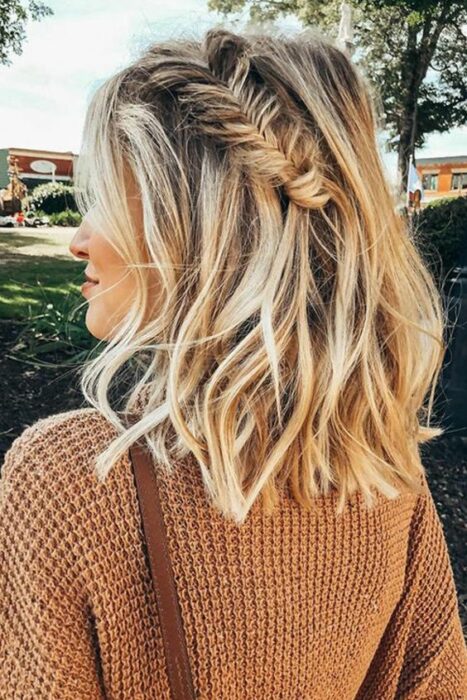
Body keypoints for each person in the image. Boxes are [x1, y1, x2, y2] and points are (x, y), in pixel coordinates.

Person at [0, 26, 466, 699]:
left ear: (196, 229)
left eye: (103, 199)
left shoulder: (67, 481)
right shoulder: (386, 469)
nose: (77, 240)